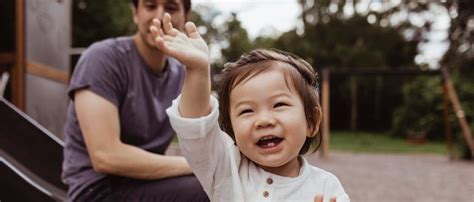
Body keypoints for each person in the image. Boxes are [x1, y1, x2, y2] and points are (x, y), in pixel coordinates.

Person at [151, 13, 350, 201]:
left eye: (279, 104)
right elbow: (196, 130)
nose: (263, 120)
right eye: (247, 111)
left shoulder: (327, 187)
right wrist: (198, 70)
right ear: (232, 129)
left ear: (311, 121)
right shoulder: (225, 168)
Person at [62, 0, 208, 201]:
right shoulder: (102, 58)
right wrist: (194, 166)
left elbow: (201, 135)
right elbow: (106, 156)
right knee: (206, 192)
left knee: (223, 184)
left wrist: (200, 68)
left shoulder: (181, 73)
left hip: (148, 183)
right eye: (150, 6)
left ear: (185, 17)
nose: (159, 16)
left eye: (171, 8)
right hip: (98, 189)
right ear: (135, 14)